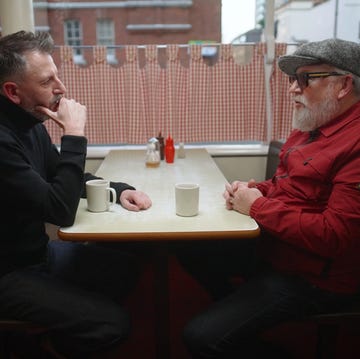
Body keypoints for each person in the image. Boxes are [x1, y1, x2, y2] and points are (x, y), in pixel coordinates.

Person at [178, 38, 360, 358]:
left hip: (316, 279)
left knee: (200, 337)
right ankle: (236, 307)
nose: (293, 89)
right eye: (293, 79)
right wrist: (257, 190)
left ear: (344, 85)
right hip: (276, 249)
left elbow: (335, 236)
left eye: (305, 79)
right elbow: (286, 185)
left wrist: (258, 206)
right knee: (187, 245)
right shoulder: (309, 125)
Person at [0, 30, 152, 358]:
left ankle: (56, 341)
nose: (61, 88)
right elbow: (59, 210)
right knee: (114, 324)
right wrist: (74, 135)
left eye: (57, 75)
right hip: (8, 273)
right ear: (13, 92)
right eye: (46, 81)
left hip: (36, 256)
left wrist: (120, 190)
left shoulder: (30, 124)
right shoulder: (3, 139)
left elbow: (62, 173)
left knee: (123, 268)